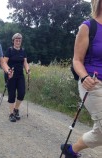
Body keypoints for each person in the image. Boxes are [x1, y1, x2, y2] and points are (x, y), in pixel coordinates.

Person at [61, 0, 102, 157]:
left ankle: (71, 150)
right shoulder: (88, 27)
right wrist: (84, 76)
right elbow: (77, 60)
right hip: (93, 83)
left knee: (100, 132)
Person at [4, 33, 30, 122]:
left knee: (22, 93)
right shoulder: (9, 50)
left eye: (19, 40)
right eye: (16, 40)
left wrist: (27, 70)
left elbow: (25, 62)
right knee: (12, 94)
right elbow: (4, 62)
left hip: (20, 75)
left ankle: (16, 109)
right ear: (13, 41)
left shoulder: (23, 51)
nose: (18, 41)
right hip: (11, 75)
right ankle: (11, 114)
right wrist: (8, 70)